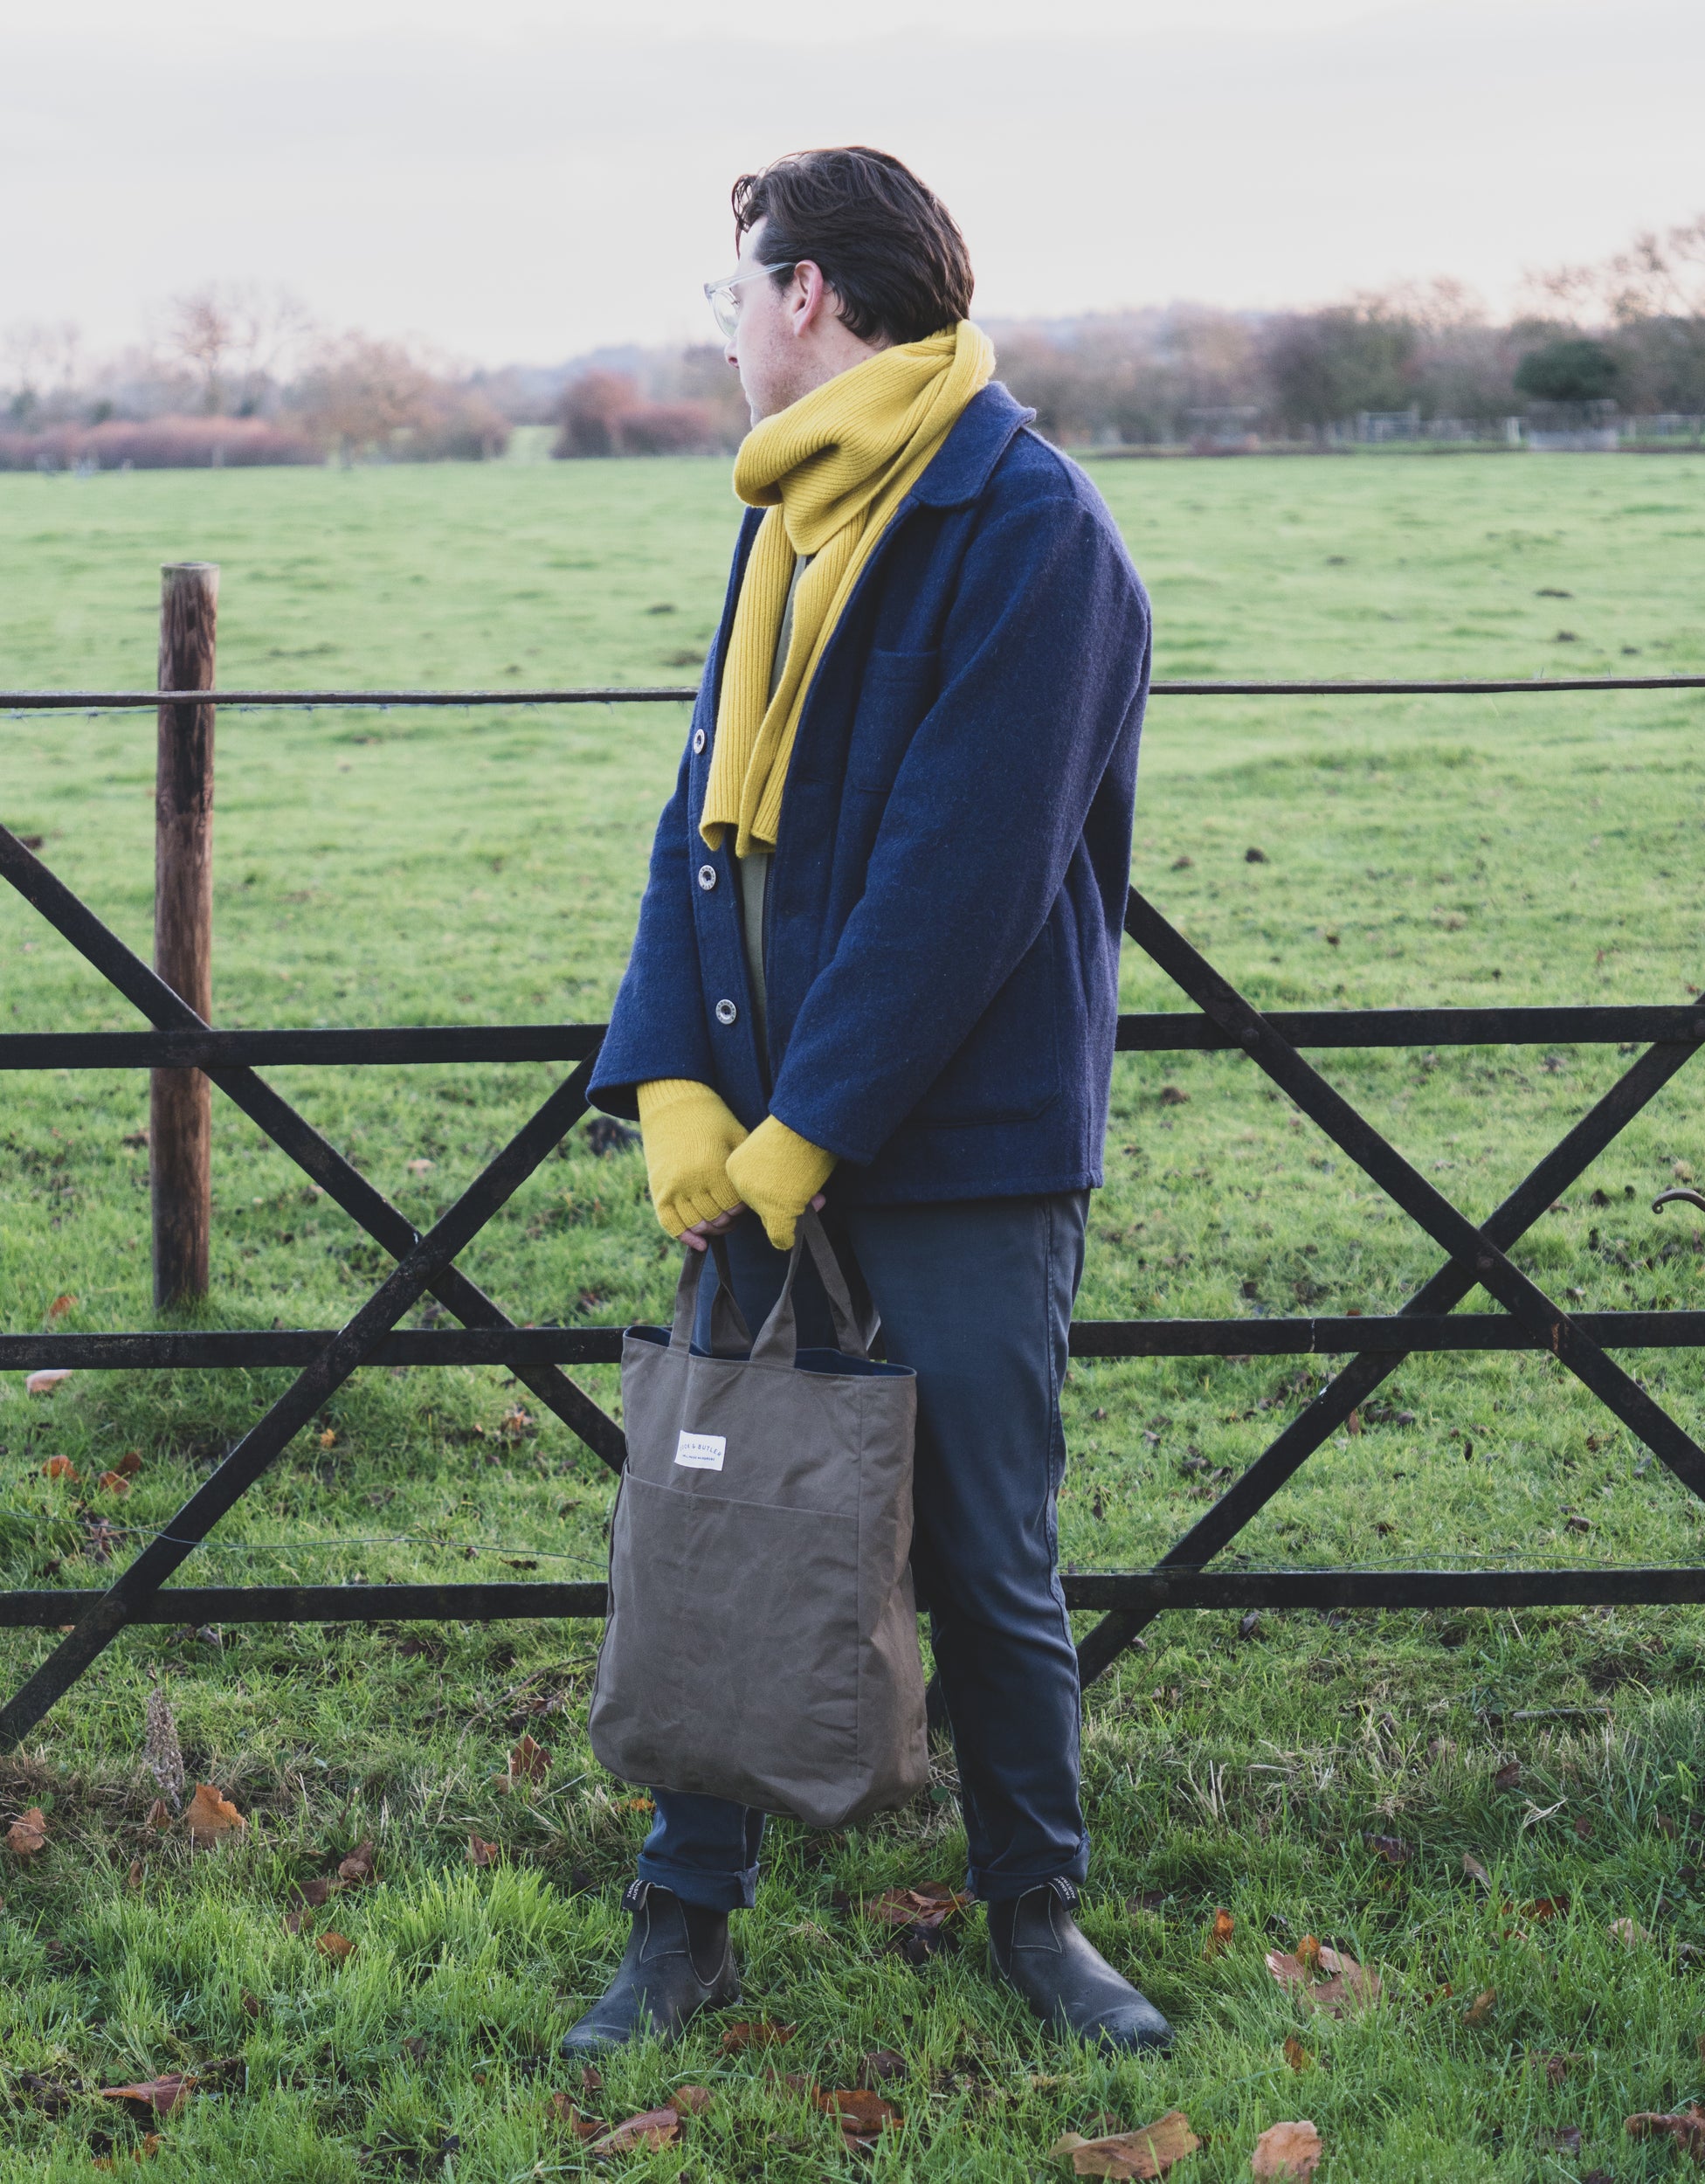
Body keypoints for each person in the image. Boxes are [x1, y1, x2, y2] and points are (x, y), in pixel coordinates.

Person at [571, 146, 1162, 2056]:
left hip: (962, 1150)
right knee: (726, 1504)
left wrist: (807, 1128)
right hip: (749, 1134)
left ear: (809, 293)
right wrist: (670, 1074)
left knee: (987, 1546)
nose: (728, 328)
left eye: (735, 293)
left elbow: (962, 874)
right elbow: (701, 824)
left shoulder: (1025, 524)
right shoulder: (790, 524)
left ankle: (1038, 1914)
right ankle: (682, 1919)